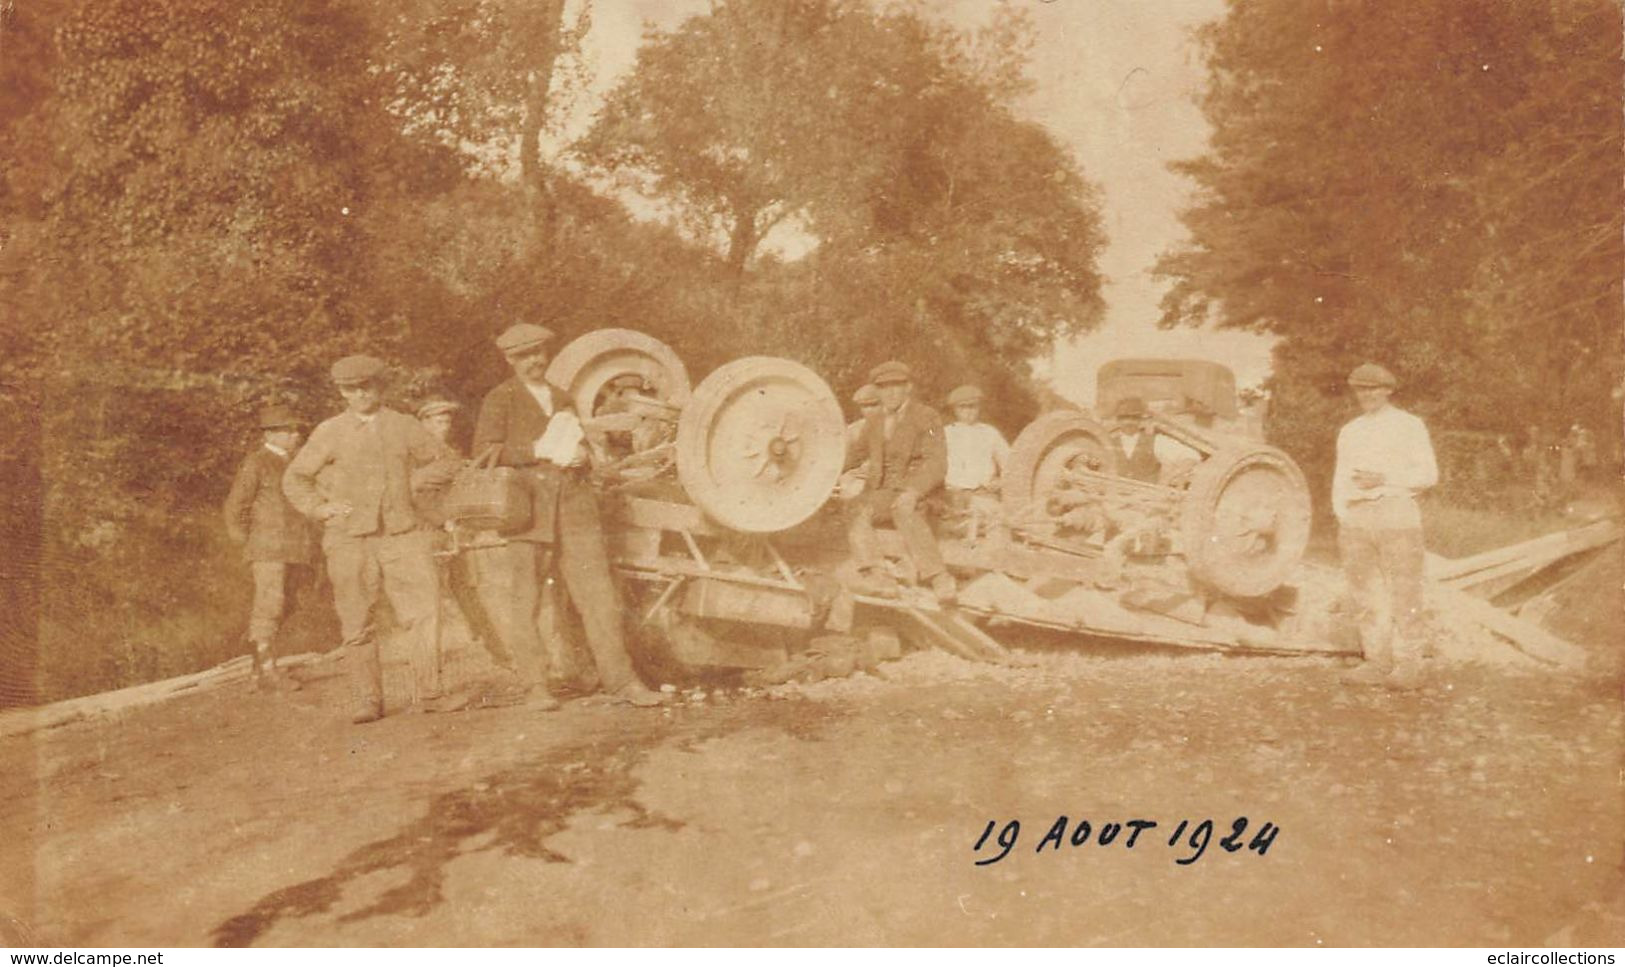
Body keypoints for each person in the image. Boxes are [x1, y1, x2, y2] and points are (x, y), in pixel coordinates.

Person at [472, 323, 664, 708]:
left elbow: (583, 446)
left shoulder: (563, 398)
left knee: (600, 599)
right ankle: (536, 687)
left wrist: (584, 456)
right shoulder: (501, 399)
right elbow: (484, 454)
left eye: (539, 353)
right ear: (511, 360)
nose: (535, 362)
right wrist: (536, 449)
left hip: (576, 510)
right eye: (525, 356)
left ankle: (622, 681)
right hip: (528, 513)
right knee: (526, 604)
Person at [283, 355, 463, 723]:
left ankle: (431, 691)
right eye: (352, 389)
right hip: (350, 539)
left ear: (380, 387)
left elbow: (445, 461)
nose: (361, 394)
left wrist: (413, 483)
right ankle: (368, 699)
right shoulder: (329, 431)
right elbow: (295, 478)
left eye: (368, 386)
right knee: (356, 619)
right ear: (342, 392)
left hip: (402, 533)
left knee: (424, 611)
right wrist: (321, 508)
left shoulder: (404, 425)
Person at [1333, 362, 1439, 690]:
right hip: (1357, 516)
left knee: (1405, 589)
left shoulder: (1409, 425)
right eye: (1361, 390)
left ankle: (1410, 664)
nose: (1367, 395)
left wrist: (1385, 479)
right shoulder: (1351, 430)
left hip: (1396, 510)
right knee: (1366, 593)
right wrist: (1342, 514)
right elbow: (1340, 477)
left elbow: (1428, 475)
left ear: (1388, 390)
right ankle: (1377, 661)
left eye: (1373, 389)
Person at [222, 404, 318, 692]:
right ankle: (268, 672)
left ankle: (257, 673)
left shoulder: (298, 464)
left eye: (296, 430)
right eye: (288, 431)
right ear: (271, 434)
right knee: (270, 606)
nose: (295, 435)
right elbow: (235, 506)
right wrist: (249, 542)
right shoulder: (258, 462)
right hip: (268, 550)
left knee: (286, 606)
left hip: (296, 548)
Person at [846, 360, 954, 602]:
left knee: (904, 509)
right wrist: (819, 469)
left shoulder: (927, 417)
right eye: (884, 387)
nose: (890, 392)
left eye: (897, 386)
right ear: (878, 391)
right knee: (855, 508)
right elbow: (853, 455)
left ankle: (939, 577)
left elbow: (937, 462)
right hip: (883, 493)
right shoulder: (874, 422)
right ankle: (877, 575)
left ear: (909, 387)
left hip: (921, 493)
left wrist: (914, 491)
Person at [942, 385, 1009, 542]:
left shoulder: (989, 433)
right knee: (952, 536)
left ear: (979, 408)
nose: (969, 411)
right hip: (954, 495)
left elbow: (1010, 463)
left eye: (973, 407)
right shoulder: (946, 433)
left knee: (996, 528)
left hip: (983, 493)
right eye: (963, 407)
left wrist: (1001, 481)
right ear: (955, 410)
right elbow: (934, 464)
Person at [1109, 397, 1161, 483]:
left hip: (1146, 494)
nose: (1129, 422)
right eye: (1124, 418)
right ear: (1118, 421)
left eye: (1134, 418)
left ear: (1140, 420)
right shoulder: (1108, 443)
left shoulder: (1154, 442)